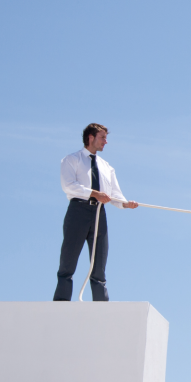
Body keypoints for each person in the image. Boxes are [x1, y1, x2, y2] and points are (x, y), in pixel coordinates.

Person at [53, 124, 138, 301]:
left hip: (100, 213)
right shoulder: (71, 159)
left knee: (99, 264)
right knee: (68, 260)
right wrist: (94, 193)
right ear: (90, 137)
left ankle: (102, 307)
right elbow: (68, 185)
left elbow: (114, 194)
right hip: (78, 211)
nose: (105, 142)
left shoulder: (107, 167)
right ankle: (61, 304)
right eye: (102, 137)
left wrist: (125, 204)